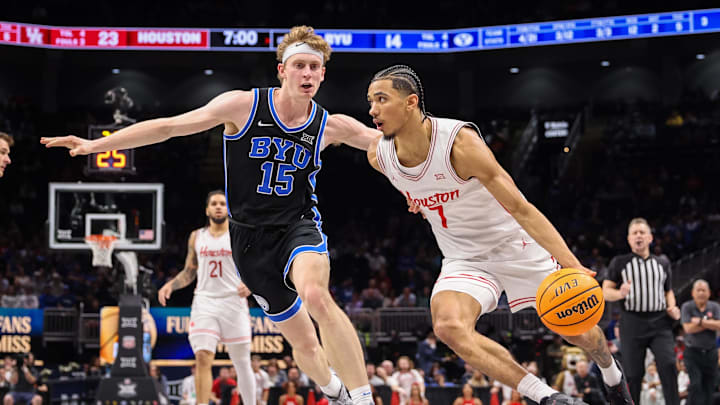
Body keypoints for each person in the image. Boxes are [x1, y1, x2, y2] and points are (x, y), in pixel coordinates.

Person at [41, 25, 380, 405]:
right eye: (299, 65)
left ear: (322, 73)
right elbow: (169, 127)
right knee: (304, 345)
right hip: (250, 242)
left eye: (314, 67)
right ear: (282, 70)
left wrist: (420, 188)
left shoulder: (330, 125)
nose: (307, 74)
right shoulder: (243, 105)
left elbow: (393, 152)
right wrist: (97, 144)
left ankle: (363, 398)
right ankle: (334, 390)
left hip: (298, 226)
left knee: (316, 295)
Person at [362, 65, 629, 405]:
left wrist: (572, 265)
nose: (372, 109)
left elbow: (521, 208)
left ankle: (609, 370)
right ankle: (548, 397)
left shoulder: (461, 145)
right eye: (370, 101)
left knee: (578, 332)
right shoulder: (379, 156)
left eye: (382, 99)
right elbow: (359, 139)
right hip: (464, 258)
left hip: (513, 244)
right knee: (447, 327)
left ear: (411, 102)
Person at [158, 190, 256, 405]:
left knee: (241, 362)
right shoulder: (197, 236)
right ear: (207, 209)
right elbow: (190, 270)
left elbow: (256, 264)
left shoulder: (238, 233)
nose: (218, 206)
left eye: (222, 203)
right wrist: (171, 285)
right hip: (204, 302)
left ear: (227, 209)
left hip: (233, 301)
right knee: (202, 357)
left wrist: (251, 284)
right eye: (214, 203)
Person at [603, 218, 680, 405]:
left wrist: (672, 306)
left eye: (642, 232)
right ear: (629, 239)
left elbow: (668, 290)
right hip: (632, 321)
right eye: (634, 233)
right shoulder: (619, 262)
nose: (638, 236)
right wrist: (619, 293)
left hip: (660, 321)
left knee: (669, 364)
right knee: (633, 373)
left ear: (650, 238)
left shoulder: (662, 262)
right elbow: (605, 292)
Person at [680, 279, 720, 405]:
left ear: (709, 293)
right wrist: (710, 323)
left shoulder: (715, 306)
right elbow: (687, 328)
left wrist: (700, 322)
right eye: (698, 290)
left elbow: (719, 325)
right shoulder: (687, 306)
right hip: (692, 352)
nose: (701, 293)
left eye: (704, 290)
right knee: (696, 384)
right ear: (693, 293)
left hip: (711, 352)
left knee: (710, 386)